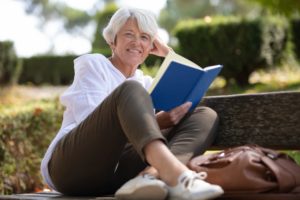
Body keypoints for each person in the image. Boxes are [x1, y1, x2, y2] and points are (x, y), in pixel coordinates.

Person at [40, 7, 224, 200]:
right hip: (74, 168)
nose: (137, 42)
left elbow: (187, 86)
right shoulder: (94, 65)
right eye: (129, 34)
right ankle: (177, 176)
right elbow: (95, 127)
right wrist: (157, 122)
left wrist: (168, 54)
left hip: (117, 176)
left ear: (151, 46)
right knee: (131, 89)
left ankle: (150, 176)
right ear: (113, 40)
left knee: (204, 115)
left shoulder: (146, 82)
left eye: (145, 37)